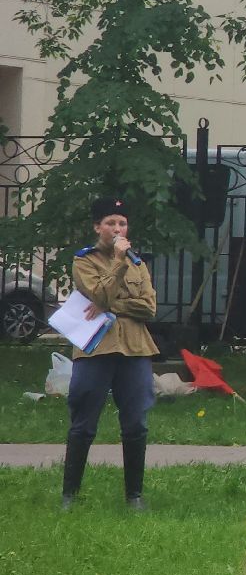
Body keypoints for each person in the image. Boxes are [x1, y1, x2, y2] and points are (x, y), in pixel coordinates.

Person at [61, 197, 159, 510]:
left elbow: (149, 308)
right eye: (110, 223)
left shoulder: (139, 264)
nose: (117, 229)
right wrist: (117, 263)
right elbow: (97, 292)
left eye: (122, 223)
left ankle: (135, 496)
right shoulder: (84, 261)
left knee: (136, 424)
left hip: (135, 349)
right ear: (97, 227)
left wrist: (111, 305)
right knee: (84, 422)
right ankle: (69, 495)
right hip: (96, 349)